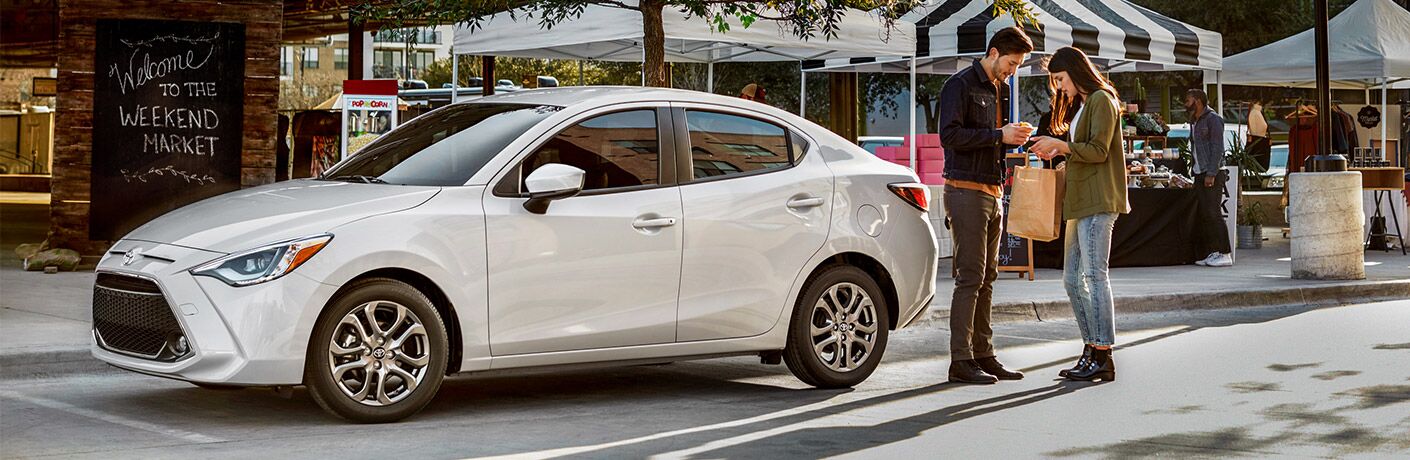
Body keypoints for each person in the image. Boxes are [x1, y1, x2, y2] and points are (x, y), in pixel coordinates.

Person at [937, 26, 1034, 385]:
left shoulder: (1003, 90)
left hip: (994, 192)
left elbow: (993, 143)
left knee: (989, 278)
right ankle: (960, 360)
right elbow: (949, 136)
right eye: (1011, 62)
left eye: (1018, 65)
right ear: (994, 53)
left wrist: (1015, 141)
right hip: (965, 191)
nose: (1013, 70)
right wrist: (999, 135)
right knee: (970, 277)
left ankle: (984, 353)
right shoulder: (959, 85)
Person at [1029, 46, 1129, 382]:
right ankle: (1091, 348)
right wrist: (1059, 152)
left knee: (1094, 277)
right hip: (1081, 201)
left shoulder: (1101, 99)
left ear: (1075, 70)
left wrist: (1061, 146)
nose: (1058, 87)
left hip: (1098, 200)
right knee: (1072, 279)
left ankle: (1102, 353)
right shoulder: (1088, 102)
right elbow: (1086, 152)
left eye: (1060, 79)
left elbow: (1099, 151)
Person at [1185, 89, 1233, 267]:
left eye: (1188, 100)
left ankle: (1225, 252)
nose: (1185, 103)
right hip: (1199, 172)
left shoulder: (1213, 119)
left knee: (1214, 213)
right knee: (1205, 214)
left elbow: (1217, 148)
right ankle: (1213, 252)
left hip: (1211, 172)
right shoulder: (1195, 121)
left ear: (1197, 101)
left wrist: (1211, 173)